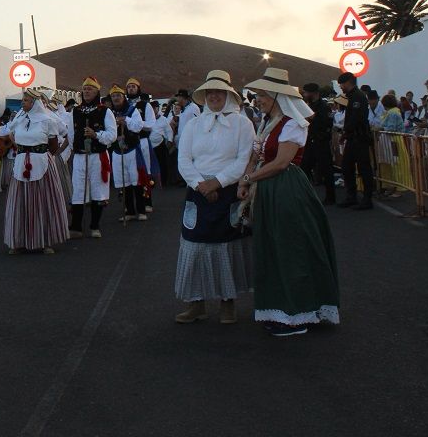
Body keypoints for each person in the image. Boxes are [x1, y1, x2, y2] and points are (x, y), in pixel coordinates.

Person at [239, 68, 340, 337]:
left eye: (261, 95)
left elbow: (281, 163)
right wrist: (246, 181)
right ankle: (283, 308)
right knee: (274, 248)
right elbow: (257, 154)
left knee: (290, 248)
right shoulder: (266, 123)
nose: (257, 99)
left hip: (286, 189)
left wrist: (248, 178)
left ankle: (296, 313)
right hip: (268, 189)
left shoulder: (292, 124)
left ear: (275, 96)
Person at [174, 70, 255, 325]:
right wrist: (201, 185)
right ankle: (196, 304)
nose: (214, 96)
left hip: (228, 190)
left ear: (229, 94)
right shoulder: (194, 124)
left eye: (219, 92)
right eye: (209, 92)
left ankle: (227, 303)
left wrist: (217, 182)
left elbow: (243, 159)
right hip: (198, 192)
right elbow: (184, 159)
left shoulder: (243, 124)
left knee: (226, 246)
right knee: (195, 246)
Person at [0, 89, 70, 255]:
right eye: (23, 100)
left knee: (44, 201)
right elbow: (11, 135)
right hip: (22, 162)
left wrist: (42, 156)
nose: (23, 102)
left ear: (34, 103)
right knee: (20, 201)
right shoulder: (19, 118)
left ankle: (45, 241)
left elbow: (53, 144)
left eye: (26, 100)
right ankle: (19, 241)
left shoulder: (47, 120)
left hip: (42, 162)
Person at [69, 77, 116, 239]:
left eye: (90, 89)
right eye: (84, 89)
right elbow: (70, 134)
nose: (86, 91)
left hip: (98, 156)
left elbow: (112, 135)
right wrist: (75, 147)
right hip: (80, 156)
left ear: (97, 91)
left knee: (98, 189)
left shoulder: (105, 111)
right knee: (78, 189)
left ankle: (95, 225)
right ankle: (76, 227)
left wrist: (96, 135)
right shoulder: (75, 111)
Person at [108, 85, 147, 221]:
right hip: (117, 151)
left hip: (131, 150)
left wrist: (126, 120)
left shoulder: (132, 110)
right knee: (124, 182)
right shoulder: (109, 112)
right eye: (113, 96)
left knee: (136, 180)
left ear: (123, 97)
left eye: (118, 95)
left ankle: (141, 210)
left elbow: (139, 126)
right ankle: (129, 211)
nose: (116, 98)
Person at [337, 72, 375, 210]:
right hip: (353, 137)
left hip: (359, 138)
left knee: (364, 169)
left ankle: (367, 199)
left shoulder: (358, 96)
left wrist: (346, 132)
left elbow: (356, 119)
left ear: (348, 82)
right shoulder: (353, 96)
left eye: (342, 84)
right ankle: (352, 196)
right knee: (347, 167)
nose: (341, 87)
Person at [125, 78, 158, 212]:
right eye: (129, 87)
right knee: (129, 173)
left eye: (133, 86)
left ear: (138, 88)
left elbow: (151, 124)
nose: (131, 89)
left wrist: (136, 125)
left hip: (142, 141)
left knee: (144, 171)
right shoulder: (124, 104)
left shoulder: (145, 105)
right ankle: (130, 205)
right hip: (127, 143)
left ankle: (147, 202)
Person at [301, 82, 336, 205]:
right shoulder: (308, 105)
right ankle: (304, 196)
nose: (304, 95)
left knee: (326, 170)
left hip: (321, 142)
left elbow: (327, 122)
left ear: (313, 93)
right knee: (304, 169)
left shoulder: (323, 106)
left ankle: (330, 197)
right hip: (310, 142)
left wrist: (312, 118)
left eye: (306, 92)